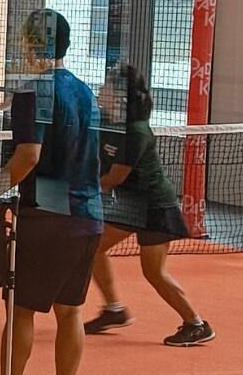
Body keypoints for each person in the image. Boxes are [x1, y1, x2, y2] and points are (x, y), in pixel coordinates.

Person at [0, 9, 102, 375]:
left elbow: (28, 157)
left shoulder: (30, 92)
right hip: (87, 218)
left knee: (20, 311)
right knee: (70, 311)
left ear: (29, 44)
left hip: (45, 219)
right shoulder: (85, 92)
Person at [85, 63, 215, 346]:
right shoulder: (109, 123)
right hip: (132, 204)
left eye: (106, 87)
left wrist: (78, 189)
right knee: (94, 246)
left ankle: (196, 324)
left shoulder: (136, 132)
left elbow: (115, 177)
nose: (100, 90)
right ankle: (114, 310)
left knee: (154, 272)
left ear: (119, 95)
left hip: (156, 206)